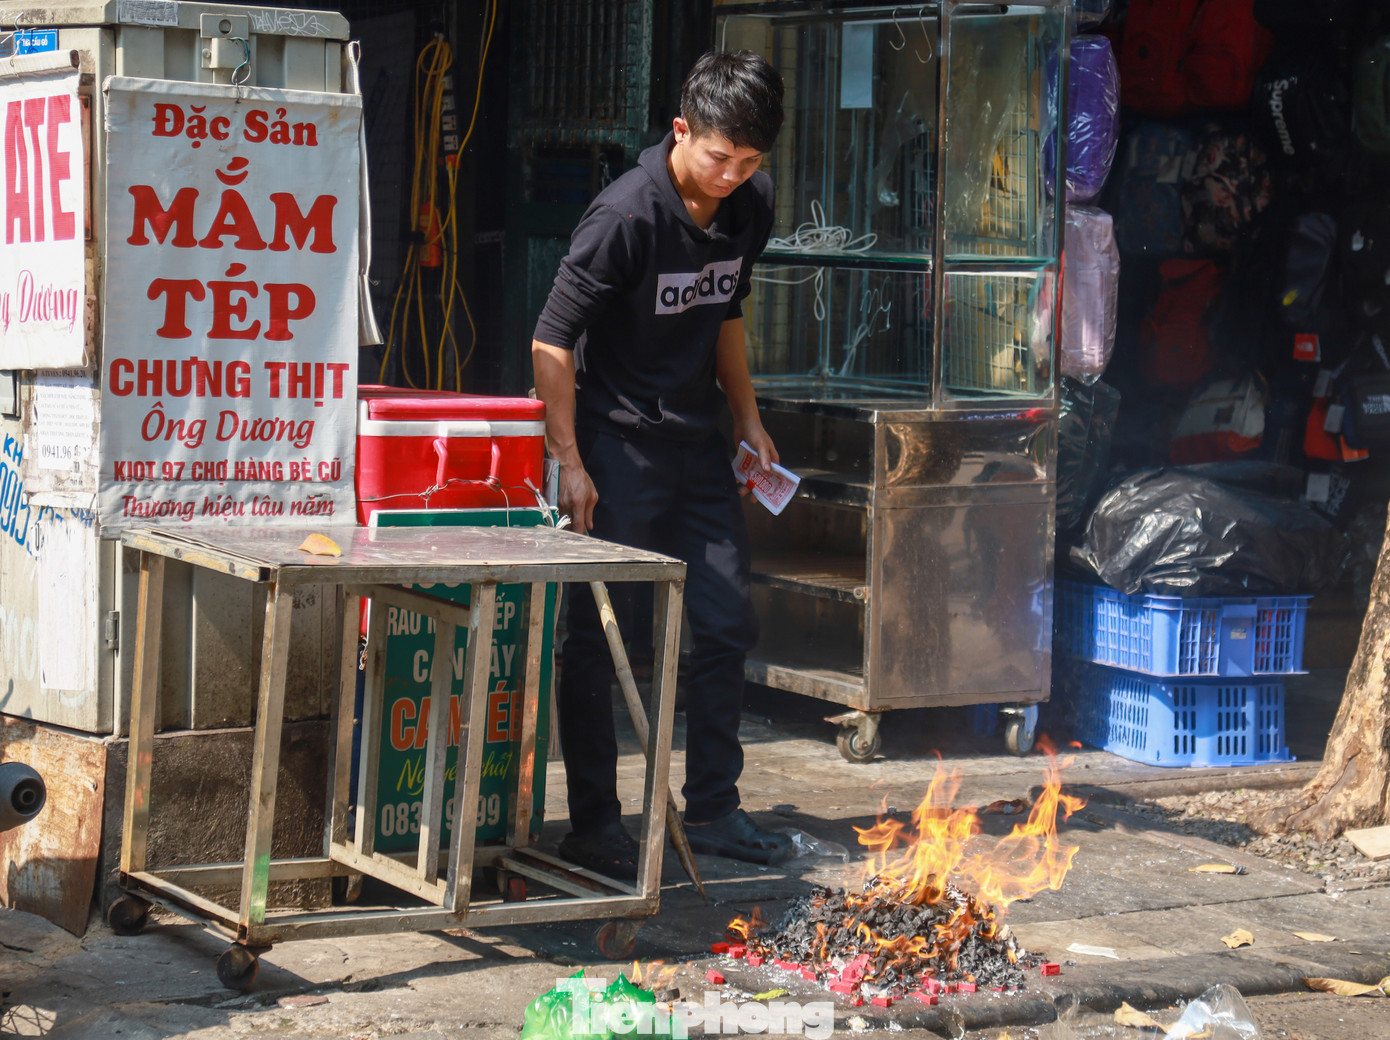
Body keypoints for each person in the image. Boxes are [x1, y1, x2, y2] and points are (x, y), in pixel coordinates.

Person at [531, 49, 792, 879]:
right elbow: (550, 339)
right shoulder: (624, 216)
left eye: (750, 162)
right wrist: (568, 460)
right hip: (615, 443)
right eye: (720, 157)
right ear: (681, 131)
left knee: (723, 624)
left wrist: (748, 418)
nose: (733, 176)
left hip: (698, 445)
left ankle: (714, 807)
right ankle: (595, 824)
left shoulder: (750, 205)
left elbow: (725, 311)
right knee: (603, 637)